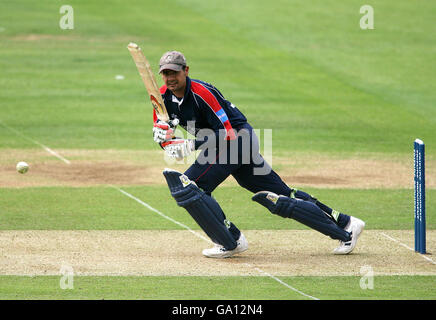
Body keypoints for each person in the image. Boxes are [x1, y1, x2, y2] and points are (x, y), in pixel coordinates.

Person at [152, 50, 365, 258]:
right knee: (281, 195)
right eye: (166, 73)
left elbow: (227, 133)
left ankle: (231, 240)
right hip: (223, 145)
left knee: (190, 185)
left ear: (186, 70)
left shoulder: (202, 93)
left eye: (174, 72)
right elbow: (165, 138)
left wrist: (190, 145)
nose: (170, 78)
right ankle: (346, 226)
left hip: (238, 140)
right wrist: (165, 140)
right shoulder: (161, 97)